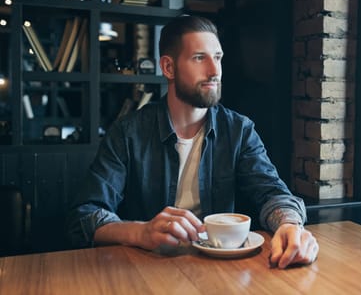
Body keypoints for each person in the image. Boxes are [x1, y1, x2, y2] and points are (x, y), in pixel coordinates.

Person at [66, 15, 318, 269]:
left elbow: (273, 195)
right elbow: (85, 216)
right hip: (147, 269)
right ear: (168, 68)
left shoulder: (239, 130)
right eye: (199, 58)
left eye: (217, 57)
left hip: (218, 269)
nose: (214, 70)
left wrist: (289, 225)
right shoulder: (128, 133)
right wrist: (141, 232)